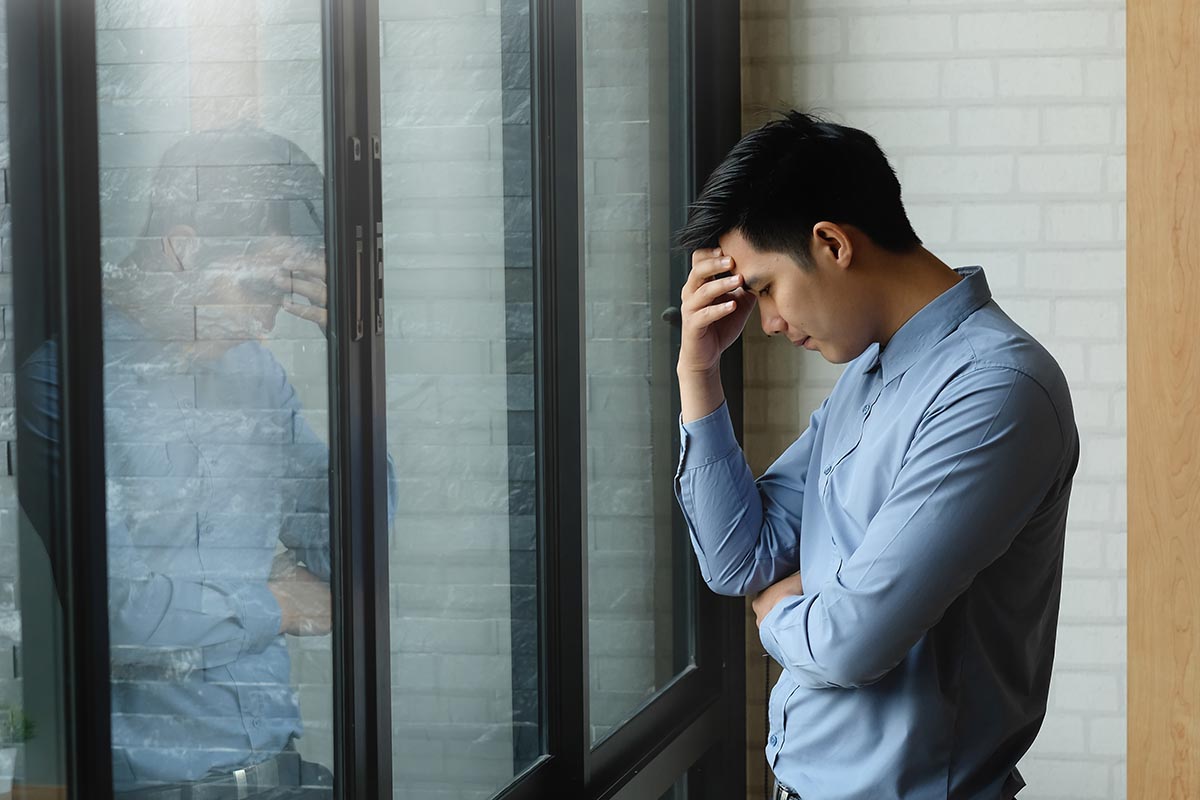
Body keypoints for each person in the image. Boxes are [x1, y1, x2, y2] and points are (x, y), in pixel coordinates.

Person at [672, 110, 1079, 799]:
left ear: (831, 243)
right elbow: (739, 558)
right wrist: (697, 373)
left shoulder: (995, 391)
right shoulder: (869, 375)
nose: (766, 323)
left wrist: (776, 613)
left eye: (766, 288)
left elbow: (848, 642)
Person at [18, 127, 395, 798]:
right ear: (183, 250)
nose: (264, 326)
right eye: (257, 290)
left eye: (283, 298)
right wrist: (278, 604)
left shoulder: (259, 377)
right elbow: (127, 622)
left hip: (287, 777)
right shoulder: (64, 387)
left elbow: (353, 561)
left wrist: (354, 368)